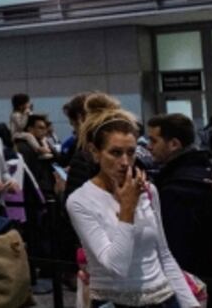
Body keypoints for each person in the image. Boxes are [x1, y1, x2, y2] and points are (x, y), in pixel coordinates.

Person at [67, 108, 198, 308]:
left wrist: (191, 304)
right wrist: (127, 208)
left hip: (163, 298)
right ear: (95, 152)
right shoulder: (80, 200)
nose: (125, 162)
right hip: (113, 301)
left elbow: (163, 254)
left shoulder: (147, 190)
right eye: (115, 153)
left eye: (131, 152)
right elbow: (115, 266)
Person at [146, 113, 212, 278]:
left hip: (193, 282)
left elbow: (176, 251)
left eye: (154, 140)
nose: (148, 146)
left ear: (174, 144)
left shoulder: (174, 189)